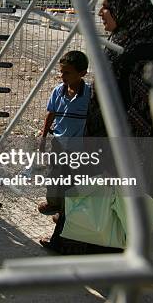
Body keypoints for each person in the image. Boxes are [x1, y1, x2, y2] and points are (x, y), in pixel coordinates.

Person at [42, 0, 153, 254]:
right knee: (91, 196)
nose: (100, 13)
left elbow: (144, 114)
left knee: (114, 207)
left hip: (125, 151)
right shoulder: (121, 43)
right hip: (103, 143)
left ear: (126, 10)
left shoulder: (145, 54)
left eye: (107, 7)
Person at [37, 50, 90, 216]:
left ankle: (66, 212)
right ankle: (53, 203)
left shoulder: (89, 94)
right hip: (59, 143)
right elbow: (50, 114)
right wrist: (43, 136)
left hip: (78, 147)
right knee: (54, 175)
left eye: (67, 72)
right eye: (61, 71)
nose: (62, 76)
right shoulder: (58, 91)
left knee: (73, 180)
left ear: (82, 73)